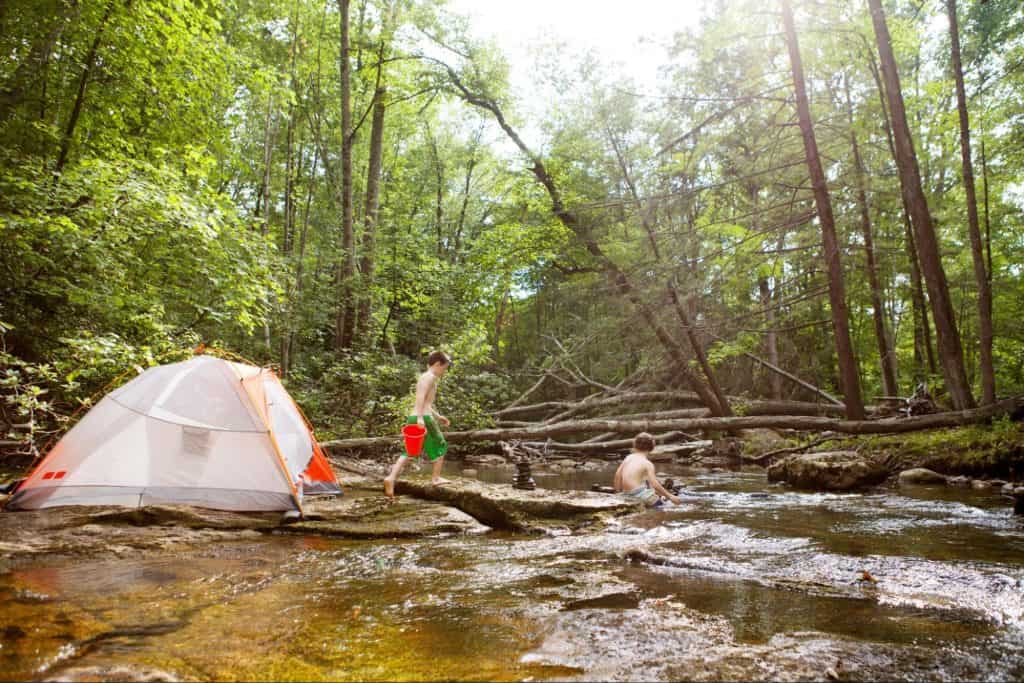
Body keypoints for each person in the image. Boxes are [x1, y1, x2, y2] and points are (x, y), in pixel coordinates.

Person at [383, 351, 452, 498]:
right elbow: (420, 398)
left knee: (410, 451)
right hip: (423, 418)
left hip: (415, 416)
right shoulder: (430, 377)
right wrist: (421, 418)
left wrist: (438, 416)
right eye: (444, 368)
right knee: (441, 445)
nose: (444, 371)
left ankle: (390, 478)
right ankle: (435, 478)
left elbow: (426, 402)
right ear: (437, 364)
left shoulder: (425, 377)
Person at [613, 432, 681, 506]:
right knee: (664, 506)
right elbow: (654, 484)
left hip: (626, 493)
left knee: (649, 488)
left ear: (635, 445)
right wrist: (670, 496)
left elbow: (618, 475)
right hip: (640, 494)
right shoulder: (647, 464)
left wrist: (618, 493)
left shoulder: (628, 458)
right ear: (652, 447)